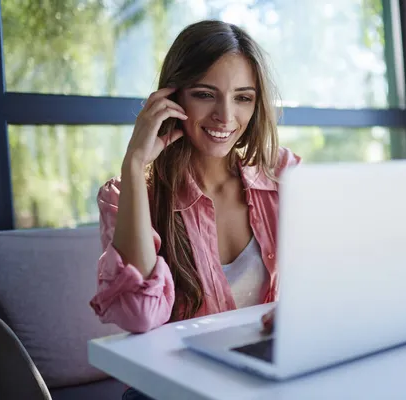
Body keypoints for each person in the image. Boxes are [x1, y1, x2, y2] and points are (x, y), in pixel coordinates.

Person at [89, 20, 299, 399]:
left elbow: (326, 280)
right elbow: (138, 315)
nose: (225, 116)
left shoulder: (284, 177)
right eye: (205, 94)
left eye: (242, 97)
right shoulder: (131, 195)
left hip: (260, 379)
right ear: (172, 97)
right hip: (171, 389)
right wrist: (135, 164)